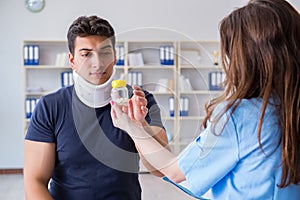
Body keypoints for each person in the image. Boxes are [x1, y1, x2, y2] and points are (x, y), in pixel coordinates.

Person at [110, 0, 300, 199]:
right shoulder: (289, 109)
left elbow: (175, 172)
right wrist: (140, 124)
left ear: (247, 58)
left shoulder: (242, 116)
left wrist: (130, 126)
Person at [24, 15, 168, 200]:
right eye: (86, 54)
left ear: (115, 57)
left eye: (105, 52)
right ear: (72, 60)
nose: (98, 63)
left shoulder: (140, 101)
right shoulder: (50, 107)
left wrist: (138, 126)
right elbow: (34, 181)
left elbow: (160, 169)